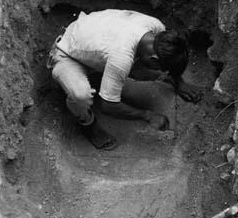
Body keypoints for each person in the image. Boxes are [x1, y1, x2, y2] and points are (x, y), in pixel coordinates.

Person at [46, 9, 202, 149]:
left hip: (90, 38)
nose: (162, 71)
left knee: (144, 71)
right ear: (154, 58)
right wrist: (147, 116)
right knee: (81, 95)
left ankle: (102, 72)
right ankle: (87, 123)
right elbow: (108, 106)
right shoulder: (121, 57)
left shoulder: (156, 29)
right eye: (162, 67)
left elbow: (169, 54)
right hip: (67, 54)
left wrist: (178, 81)